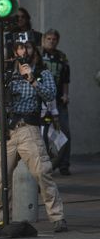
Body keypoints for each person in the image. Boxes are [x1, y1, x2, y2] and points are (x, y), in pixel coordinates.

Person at [0, 41, 68, 236]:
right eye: (18, 48)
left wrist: (32, 79)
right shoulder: (8, 74)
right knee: (1, 177)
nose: (22, 52)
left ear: (33, 50)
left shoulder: (42, 72)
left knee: (42, 172)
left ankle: (57, 217)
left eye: (26, 47)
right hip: (7, 129)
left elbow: (50, 95)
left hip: (28, 128)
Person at [41, 29, 71, 175]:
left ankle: (64, 164)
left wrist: (66, 95)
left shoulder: (61, 56)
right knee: (43, 133)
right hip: (43, 101)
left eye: (54, 39)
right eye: (48, 38)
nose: (51, 41)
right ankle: (45, 165)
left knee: (64, 132)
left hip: (59, 100)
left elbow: (66, 79)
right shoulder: (39, 55)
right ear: (44, 39)